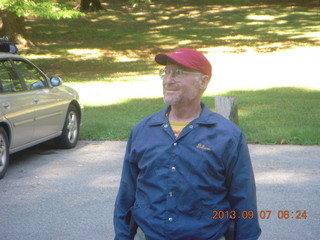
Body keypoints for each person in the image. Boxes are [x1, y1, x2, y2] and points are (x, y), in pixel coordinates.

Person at [113, 48, 261, 240]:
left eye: (179, 73)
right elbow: (126, 195)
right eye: (166, 72)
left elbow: (244, 200)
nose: (168, 80)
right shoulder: (143, 130)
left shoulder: (227, 136)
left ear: (203, 81)